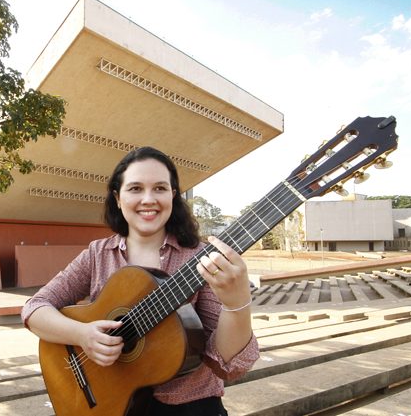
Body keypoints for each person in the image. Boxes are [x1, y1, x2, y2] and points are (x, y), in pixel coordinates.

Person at [21, 146, 259, 415]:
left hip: (192, 408)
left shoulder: (202, 259)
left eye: (159, 188)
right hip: (111, 405)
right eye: (135, 188)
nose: (148, 199)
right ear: (117, 198)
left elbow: (227, 364)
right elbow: (34, 308)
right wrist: (82, 335)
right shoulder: (97, 254)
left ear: (173, 196)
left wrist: (237, 303)